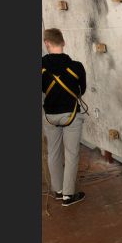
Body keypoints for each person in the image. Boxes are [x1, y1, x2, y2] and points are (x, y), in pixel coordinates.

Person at [42, 28, 88, 207]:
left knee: (53, 152)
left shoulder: (41, 66)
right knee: (71, 154)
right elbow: (81, 90)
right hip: (71, 115)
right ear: (63, 42)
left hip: (50, 116)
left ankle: (58, 190)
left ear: (47, 43)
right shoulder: (76, 67)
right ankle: (68, 196)